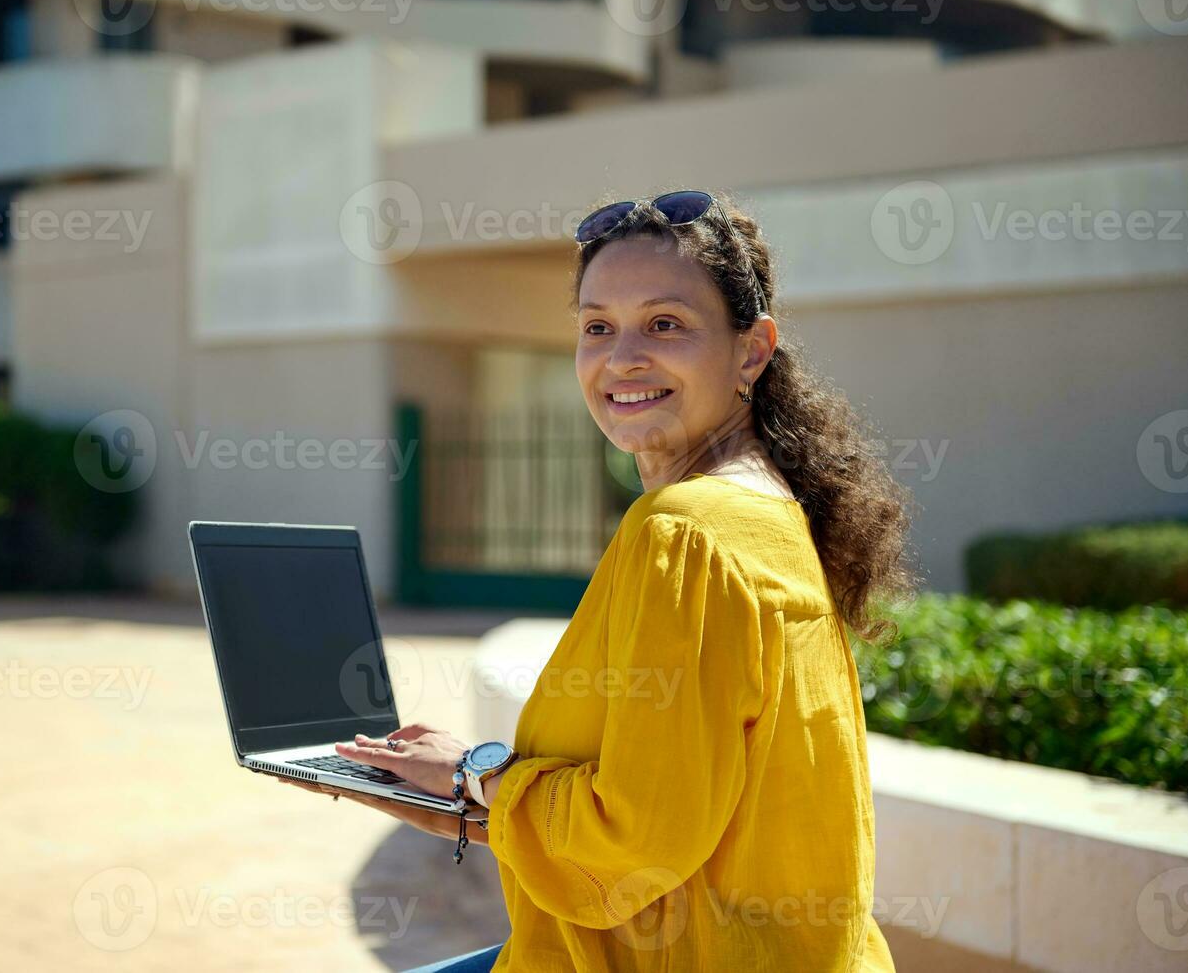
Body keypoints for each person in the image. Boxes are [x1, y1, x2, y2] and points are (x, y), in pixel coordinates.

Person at [281, 191, 917, 972]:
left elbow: (630, 845)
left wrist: (475, 773)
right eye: (595, 327)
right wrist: (463, 801)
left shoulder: (685, 535)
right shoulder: (768, 509)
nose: (621, 359)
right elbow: (686, 817)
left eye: (664, 324)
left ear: (751, 351)